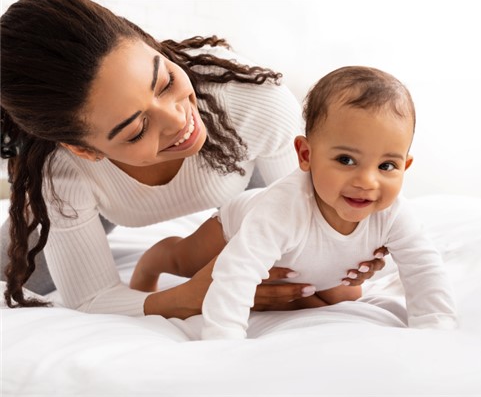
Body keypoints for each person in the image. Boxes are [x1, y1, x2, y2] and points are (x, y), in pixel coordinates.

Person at [0, 0, 386, 318]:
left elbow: (319, 234)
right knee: (11, 271)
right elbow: (91, 299)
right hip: (98, 193)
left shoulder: (245, 99)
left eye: (165, 80)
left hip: (238, 169)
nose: (178, 120)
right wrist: (188, 297)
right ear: (84, 149)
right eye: (137, 130)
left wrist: (346, 256)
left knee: (322, 283)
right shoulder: (63, 174)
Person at [130, 66, 459, 339]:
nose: (367, 181)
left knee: (345, 295)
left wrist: (436, 326)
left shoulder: (393, 211)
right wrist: (223, 336)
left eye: (387, 166)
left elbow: (423, 267)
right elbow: (237, 271)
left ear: (405, 166)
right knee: (186, 261)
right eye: (346, 159)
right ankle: (153, 260)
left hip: (307, 261)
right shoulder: (282, 208)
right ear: (306, 155)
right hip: (238, 225)